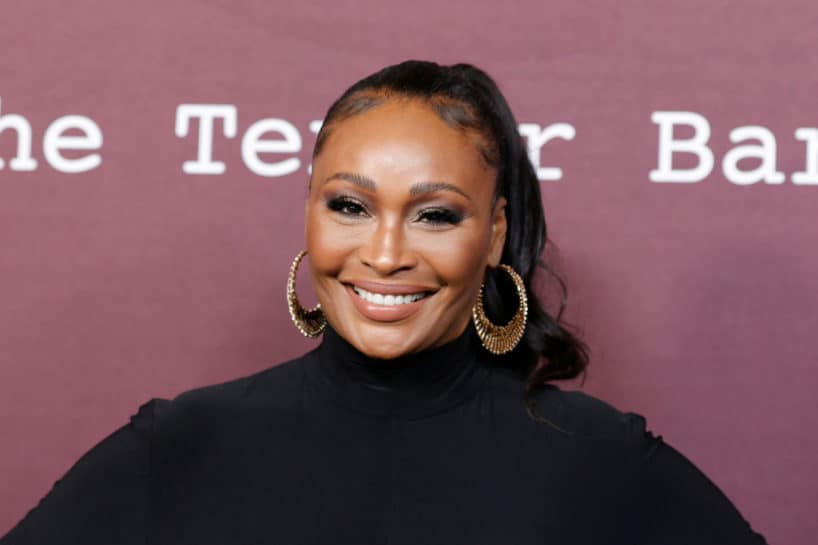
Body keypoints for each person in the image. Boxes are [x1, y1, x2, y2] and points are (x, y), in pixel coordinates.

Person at [1, 61, 768, 544]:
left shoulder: (599, 459)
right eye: (349, 206)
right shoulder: (182, 442)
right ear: (308, 211)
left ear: (495, 232)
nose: (387, 251)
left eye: (436, 215)